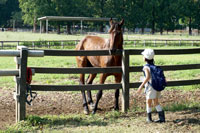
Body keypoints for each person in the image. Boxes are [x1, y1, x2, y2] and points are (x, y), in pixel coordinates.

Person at [137, 49, 165, 123]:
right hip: (156, 86)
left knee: (148, 102)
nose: (142, 57)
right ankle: (162, 118)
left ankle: (149, 118)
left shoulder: (146, 67)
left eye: (143, 56)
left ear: (145, 58)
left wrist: (141, 86)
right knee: (156, 102)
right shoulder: (154, 66)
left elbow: (148, 77)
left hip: (150, 87)